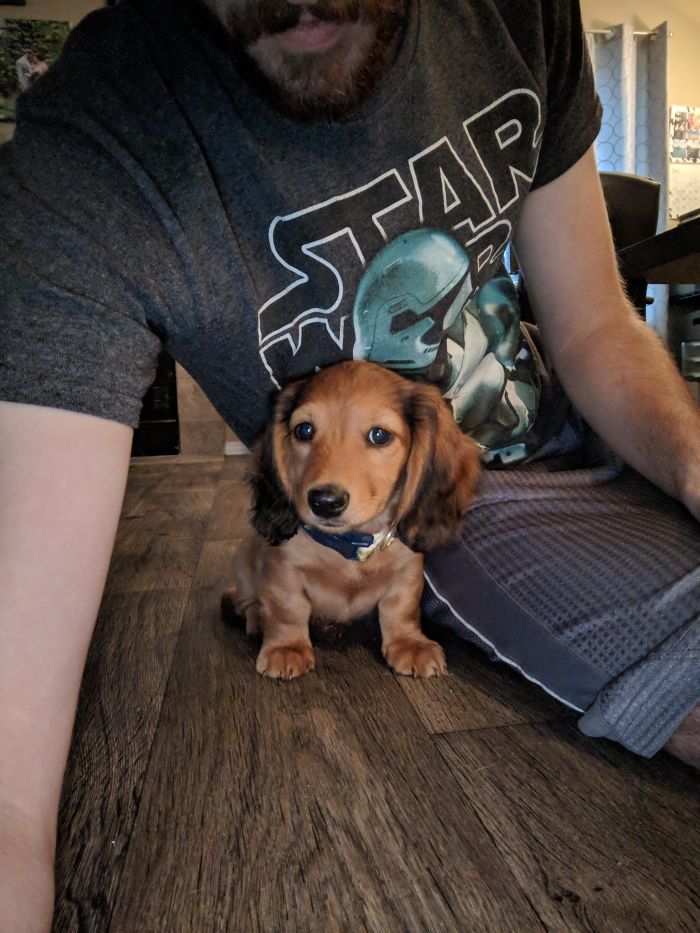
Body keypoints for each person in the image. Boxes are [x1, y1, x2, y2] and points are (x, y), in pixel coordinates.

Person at [1, 0, 698, 927]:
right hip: (470, 508)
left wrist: (692, 463)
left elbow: (596, 321)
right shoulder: (95, 139)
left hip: (575, 428)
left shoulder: (520, 13)